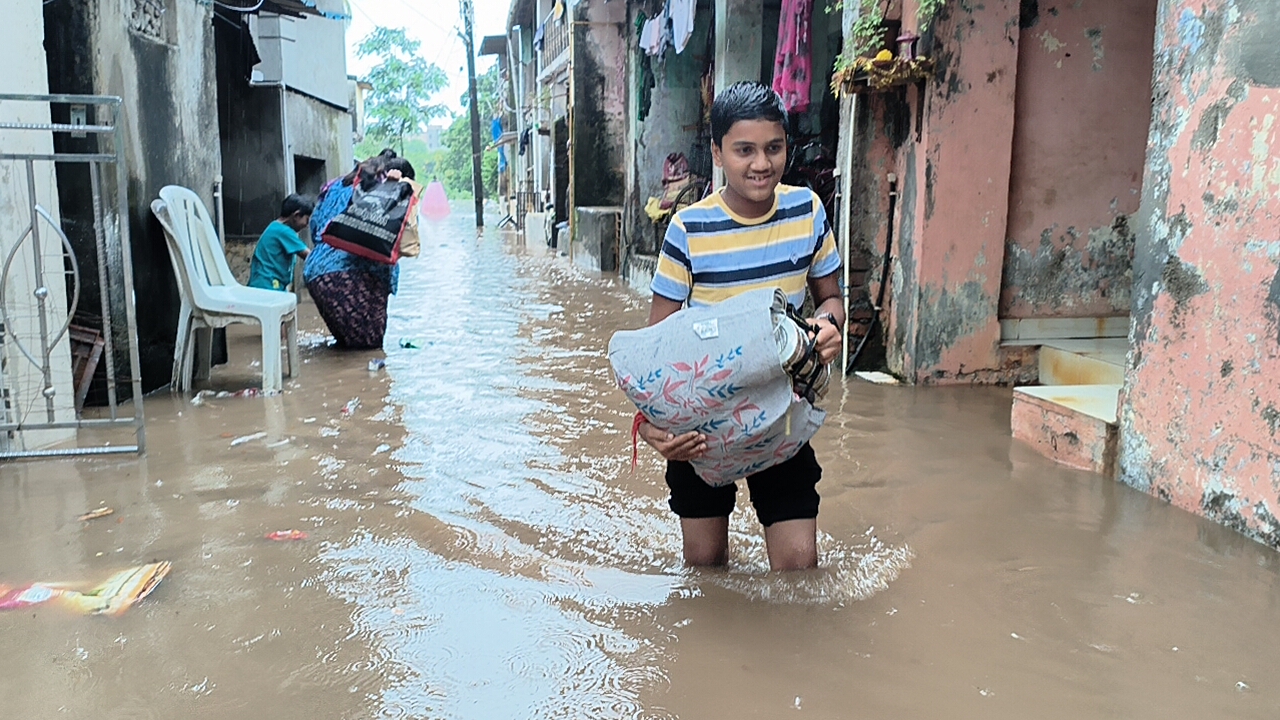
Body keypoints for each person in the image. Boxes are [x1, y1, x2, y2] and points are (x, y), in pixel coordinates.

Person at [637, 82, 845, 572]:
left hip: (783, 415)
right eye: (744, 150)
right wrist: (653, 430)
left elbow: (830, 299)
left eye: (774, 148)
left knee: (799, 567)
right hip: (703, 428)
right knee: (706, 568)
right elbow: (656, 347)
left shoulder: (807, 211)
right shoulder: (688, 228)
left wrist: (829, 325)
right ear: (717, 152)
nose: (761, 164)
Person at [303, 152, 417, 349]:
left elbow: (315, 227)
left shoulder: (336, 185)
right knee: (369, 353)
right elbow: (401, 238)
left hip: (315, 272)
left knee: (347, 351)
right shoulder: (389, 188)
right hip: (351, 277)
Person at [247, 194, 313, 291]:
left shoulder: (275, 226)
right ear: (296, 215)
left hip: (266, 283)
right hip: (268, 285)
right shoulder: (284, 231)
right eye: (306, 220)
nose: (307, 225)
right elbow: (309, 256)